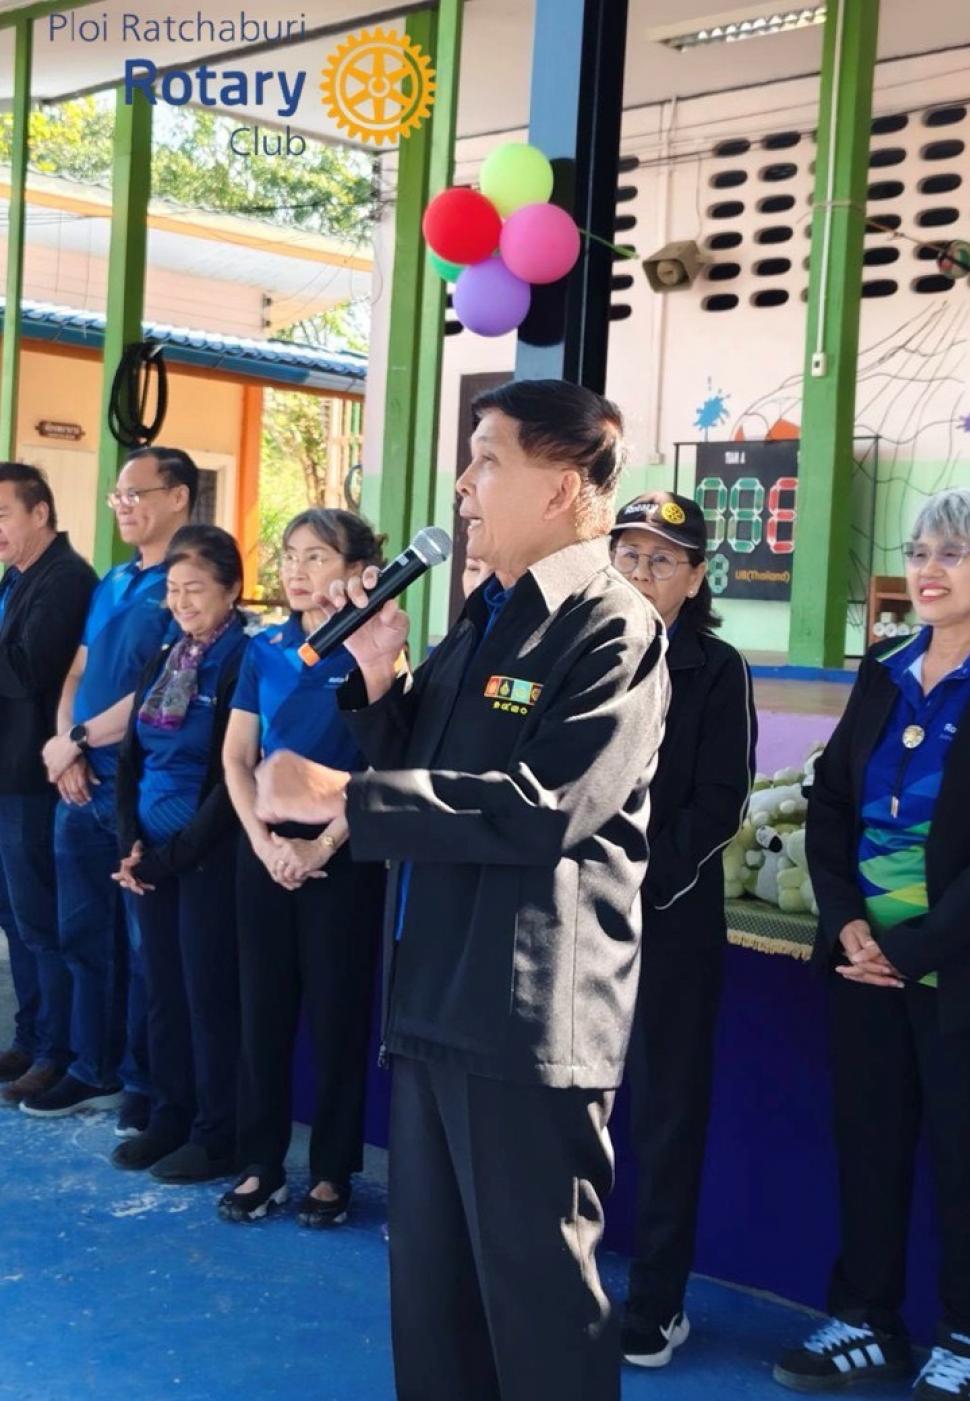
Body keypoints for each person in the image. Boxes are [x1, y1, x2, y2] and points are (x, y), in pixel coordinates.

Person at [254, 379, 670, 1400]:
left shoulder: (609, 626)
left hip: (525, 1016)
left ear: (562, 485)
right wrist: (379, 678)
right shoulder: (487, 612)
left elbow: (542, 806)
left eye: (488, 459)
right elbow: (427, 765)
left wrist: (347, 794)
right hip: (435, 993)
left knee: (539, 1310)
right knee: (433, 1305)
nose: (463, 485)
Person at [774, 486, 970, 1401]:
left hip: (951, 969)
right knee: (872, 1146)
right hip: (864, 964)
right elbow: (832, 803)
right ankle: (868, 1318)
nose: (927, 570)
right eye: (918, 551)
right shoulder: (885, 670)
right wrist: (845, 918)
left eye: (951, 553)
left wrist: (920, 946)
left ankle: (963, 1335)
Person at [610, 492, 757, 1368]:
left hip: (668, 921)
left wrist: (636, 879)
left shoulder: (717, 668)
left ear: (696, 577)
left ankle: (656, 1303)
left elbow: (720, 803)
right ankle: (560, 1274)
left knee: (666, 1116)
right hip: (576, 921)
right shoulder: (583, 650)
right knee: (570, 1108)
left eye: (662, 560)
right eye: (629, 555)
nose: (641, 572)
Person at [217, 508, 385, 1227]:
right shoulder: (266, 649)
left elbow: (382, 766)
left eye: (315, 556)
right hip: (264, 849)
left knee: (337, 1016)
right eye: (289, 555)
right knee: (262, 1013)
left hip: (343, 854)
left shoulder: (375, 651)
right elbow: (236, 756)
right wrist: (263, 844)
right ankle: (261, 1163)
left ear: (357, 570)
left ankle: (331, 1171)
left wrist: (321, 846)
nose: (296, 570)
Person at [23, 447, 197, 1124]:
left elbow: (160, 688)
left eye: (135, 494)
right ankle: (88, 1066)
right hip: (78, 782)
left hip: (137, 788)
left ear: (178, 496)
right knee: (81, 935)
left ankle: (141, 1081)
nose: (123, 506)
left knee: (142, 948)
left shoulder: (188, 582)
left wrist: (78, 740)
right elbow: (78, 669)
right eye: (116, 497)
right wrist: (67, 746)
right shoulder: (115, 579)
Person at [111, 525, 248, 1184]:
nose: (182, 602)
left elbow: (231, 776)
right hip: (151, 854)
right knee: (162, 992)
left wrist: (174, 855)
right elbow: (130, 756)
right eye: (172, 589)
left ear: (232, 589)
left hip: (208, 855)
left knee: (206, 996)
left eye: (195, 588)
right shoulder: (167, 652)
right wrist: (129, 844)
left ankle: (216, 1134)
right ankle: (169, 1117)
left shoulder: (242, 659)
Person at [0, 464, 97, 1105]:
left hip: (36, 778)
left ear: (39, 513)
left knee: (40, 920)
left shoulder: (66, 579)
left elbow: (29, 671)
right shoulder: (15, 577)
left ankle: (56, 1051)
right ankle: (30, 1036)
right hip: (7, 775)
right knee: (14, 918)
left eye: (2, 515)